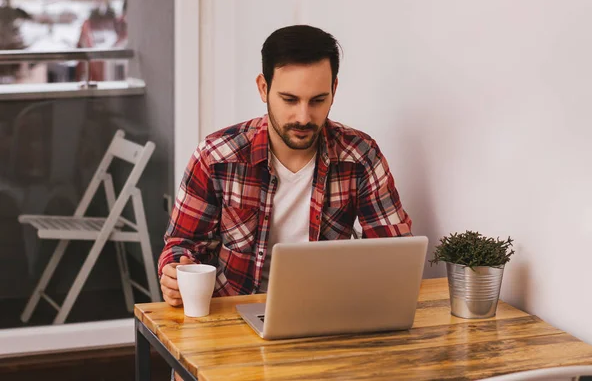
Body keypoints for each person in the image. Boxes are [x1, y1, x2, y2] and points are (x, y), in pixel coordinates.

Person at [159, 23, 413, 381]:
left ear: (334, 90)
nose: (304, 117)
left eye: (317, 100)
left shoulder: (360, 155)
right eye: (290, 100)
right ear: (264, 88)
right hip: (230, 324)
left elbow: (394, 252)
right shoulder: (217, 156)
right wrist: (174, 271)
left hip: (326, 328)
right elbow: (181, 245)